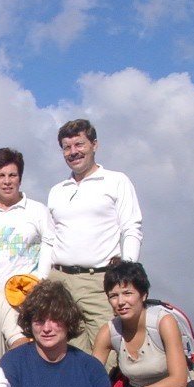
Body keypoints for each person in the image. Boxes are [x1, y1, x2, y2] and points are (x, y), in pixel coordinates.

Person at [45, 119, 143, 353]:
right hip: (60, 280)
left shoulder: (116, 181)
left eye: (79, 144)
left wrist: (126, 272)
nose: (73, 152)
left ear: (94, 145)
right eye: (67, 147)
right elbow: (49, 239)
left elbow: (131, 227)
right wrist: (42, 279)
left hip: (98, 280)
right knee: (64, 350)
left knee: (108, 351)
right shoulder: (57, 190)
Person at [0, 148, 54, 289]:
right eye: (1, 176)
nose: (7, 181)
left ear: (20, 178)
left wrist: (38, 286)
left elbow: (49, 252)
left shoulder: (39, 211)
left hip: (30, 297)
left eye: (12, 175)